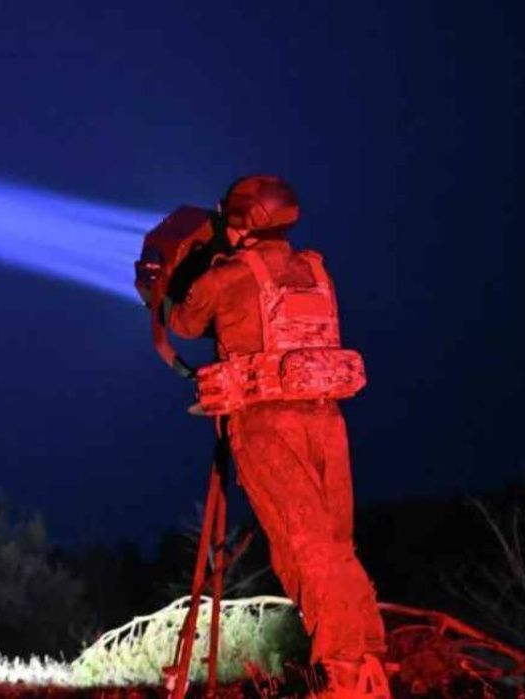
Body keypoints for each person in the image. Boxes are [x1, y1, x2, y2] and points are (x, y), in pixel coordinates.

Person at [166, 175, 391, 698]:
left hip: (268, 425)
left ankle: (344, 677)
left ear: (244, 219)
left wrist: (173, 274)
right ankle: (369, 664)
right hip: (327, 421)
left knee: (304, 549)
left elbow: (184, 320)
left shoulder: (230, 275)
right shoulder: (313, 270)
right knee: (337, 548)